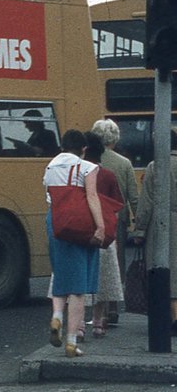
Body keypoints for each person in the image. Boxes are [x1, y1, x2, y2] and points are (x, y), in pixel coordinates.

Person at [43, 129, 105, 357]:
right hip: (79, 223)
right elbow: (91, 197)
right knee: (78, 288)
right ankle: (71, 342)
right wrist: (100, 226)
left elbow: (50, 198)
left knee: (60, 274)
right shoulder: (87, 167)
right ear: (84, 149)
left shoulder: (50, 167)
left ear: (62, 146)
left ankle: (56, 318)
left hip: (55, 221)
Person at [91, 118, 139, 325]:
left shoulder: (89, 161)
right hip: (116, 218)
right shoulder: (124, 163)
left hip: (92, 217)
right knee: (115, 261)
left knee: (94, 261)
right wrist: (140, 224)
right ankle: (112, 307)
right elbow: (133, 197)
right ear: (115, 138)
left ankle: (95, 309)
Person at [132, 126, 177, 336]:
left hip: (162, 224)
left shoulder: (155, 166)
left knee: (163, 271)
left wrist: (139, 231)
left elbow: (147, 202)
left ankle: (170, 316)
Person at [84, 132, 123, 337]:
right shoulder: (108, 175)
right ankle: (98, 322)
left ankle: (80, 324)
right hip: (104, 232)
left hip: (80, 232)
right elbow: (117, 205)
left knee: (80, 276)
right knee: (104, 278)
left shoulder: (76, 174)